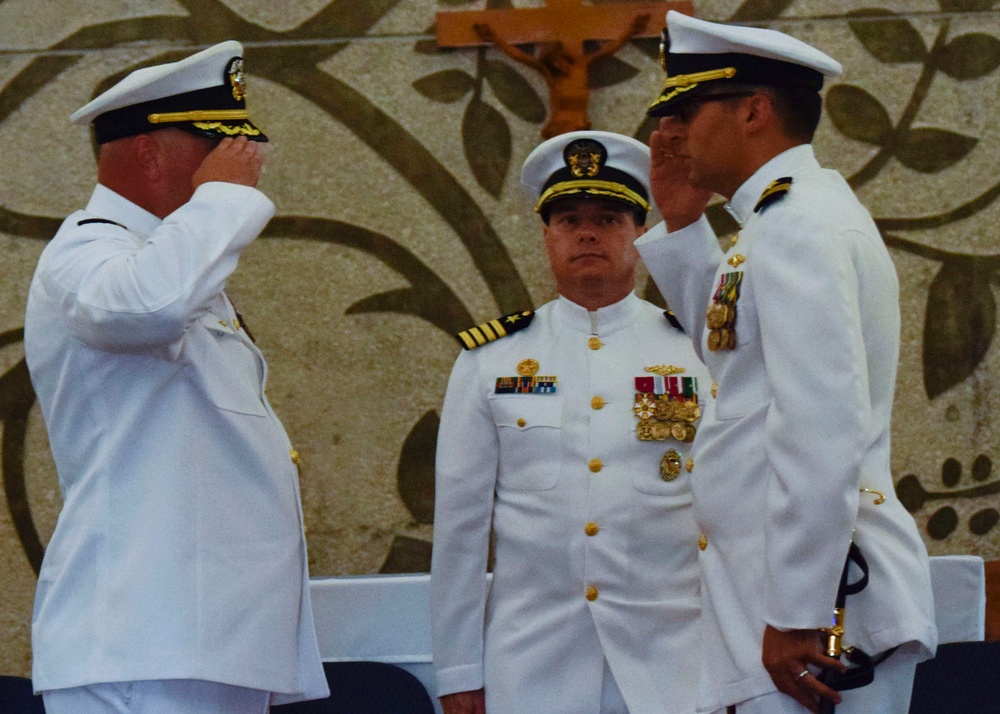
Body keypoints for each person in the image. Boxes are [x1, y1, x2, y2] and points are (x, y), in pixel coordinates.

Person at [634, 11, 937, 714]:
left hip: (821, 611)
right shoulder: (777, 219)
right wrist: (683, 225)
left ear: (754, 111)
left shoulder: (799, 226)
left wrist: (801, 613)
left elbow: (821, 426)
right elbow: (736, 358)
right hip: (782, 599)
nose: (671, 131)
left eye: (689, 108)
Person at [24, 41, 329, 713]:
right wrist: (220, 200)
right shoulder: (87, 251)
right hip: (140, 638)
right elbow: (147, 308)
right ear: (152, 152)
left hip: (201, 637)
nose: (243, 169)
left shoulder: (175, 269)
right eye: (219, 150)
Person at [431, 130, 713, 714]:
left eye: (609, 218)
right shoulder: (491, 360)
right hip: (533, 664)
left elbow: (731, 512)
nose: (587, 232)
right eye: (569, 219)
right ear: (547, 236)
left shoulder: (695, 350)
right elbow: (460, 531)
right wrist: (458, 671)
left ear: (640, 232)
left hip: (675, 661)